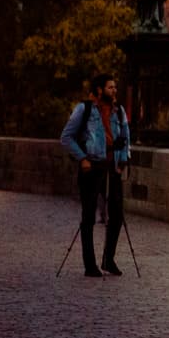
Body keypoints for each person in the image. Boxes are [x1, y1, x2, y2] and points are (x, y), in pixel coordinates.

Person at [59, 74, 131, 277]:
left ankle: (109, 260)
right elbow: (65, 137)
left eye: (115, 87)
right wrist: (82, 158)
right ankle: (90, 265)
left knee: (116, 216)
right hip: (91, 168)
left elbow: (126, 137)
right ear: (99, 90)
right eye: (110, 87)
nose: (114, 90)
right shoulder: (85, 109)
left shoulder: (119, 111)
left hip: (112, 168)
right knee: (88, 216)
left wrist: (123, 160)